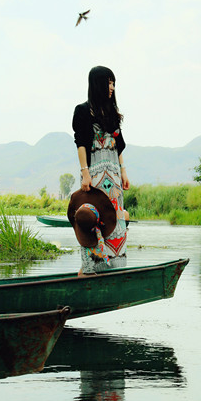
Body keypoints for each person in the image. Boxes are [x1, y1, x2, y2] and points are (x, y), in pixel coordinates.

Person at [72, 66, 130, 273]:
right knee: (94, 220)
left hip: (114, 177)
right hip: (95, 174)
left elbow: (119, 145)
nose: (112, 87)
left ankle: (114, 268)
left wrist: (123, 171)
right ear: (98, 83)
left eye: (114, 83)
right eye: (109, 82)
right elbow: (81, 144)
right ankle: (89, 269)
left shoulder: (111, 113)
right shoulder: (83, 111)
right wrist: (85, 173)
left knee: (115, 219)